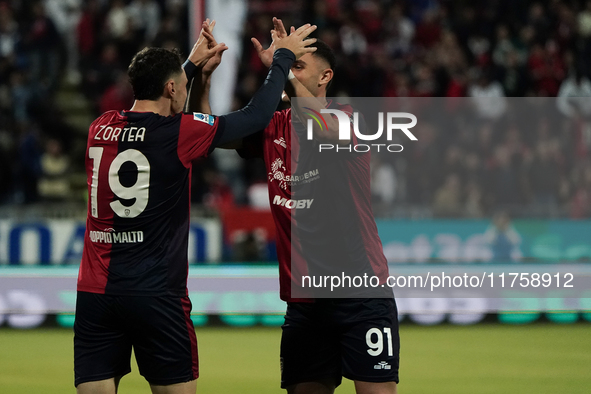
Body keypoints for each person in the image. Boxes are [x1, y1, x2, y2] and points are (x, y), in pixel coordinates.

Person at [74, 19, 317, 394]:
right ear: (171, 88)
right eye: (183, 86)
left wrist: (188, 68)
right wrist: (282, 58)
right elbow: (254, 117)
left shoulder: (100, 126)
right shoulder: (180, 132)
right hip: (156, 294)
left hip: (95, 291)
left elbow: (156, 102)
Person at [216, 18, 400, 394]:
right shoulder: (273, 126)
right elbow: (213, 132)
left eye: (299, 66)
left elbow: (316, 122)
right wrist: (203, 76)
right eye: (290, 65)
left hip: (361, 295)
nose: (288, 72)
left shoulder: (349, 121)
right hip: (306, 302)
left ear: (325, 77)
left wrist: (281, 63)